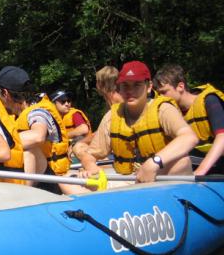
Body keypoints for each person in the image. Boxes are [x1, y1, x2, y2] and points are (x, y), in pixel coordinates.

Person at [72, 60, 198, 192]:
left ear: (149, 86)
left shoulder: (163, 109)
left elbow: (189, 137)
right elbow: (90, 155)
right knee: (69, 181)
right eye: (125, 86)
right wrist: (91, 167)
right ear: (119, 88)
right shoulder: (112, 116)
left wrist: (153, 163)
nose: (130, 91)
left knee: (181, 162)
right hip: (129, 178)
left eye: (136, 85)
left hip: (160, 175)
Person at [0, 66, 70, 187]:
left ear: (5, 93)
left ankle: (23, 197)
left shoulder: (37, 112)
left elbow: (37, 136)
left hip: (51, 181)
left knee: (29, 149)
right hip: (41, 178)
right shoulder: (16, 115)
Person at [153, 64, 224, 175]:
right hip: (192, 167)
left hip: (216, 169)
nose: (161, 98)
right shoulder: (169, 114)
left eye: (164, 92)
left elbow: (222, 137)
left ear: (180, 87)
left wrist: (200, 171)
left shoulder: (210, 100)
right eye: (159, 94)